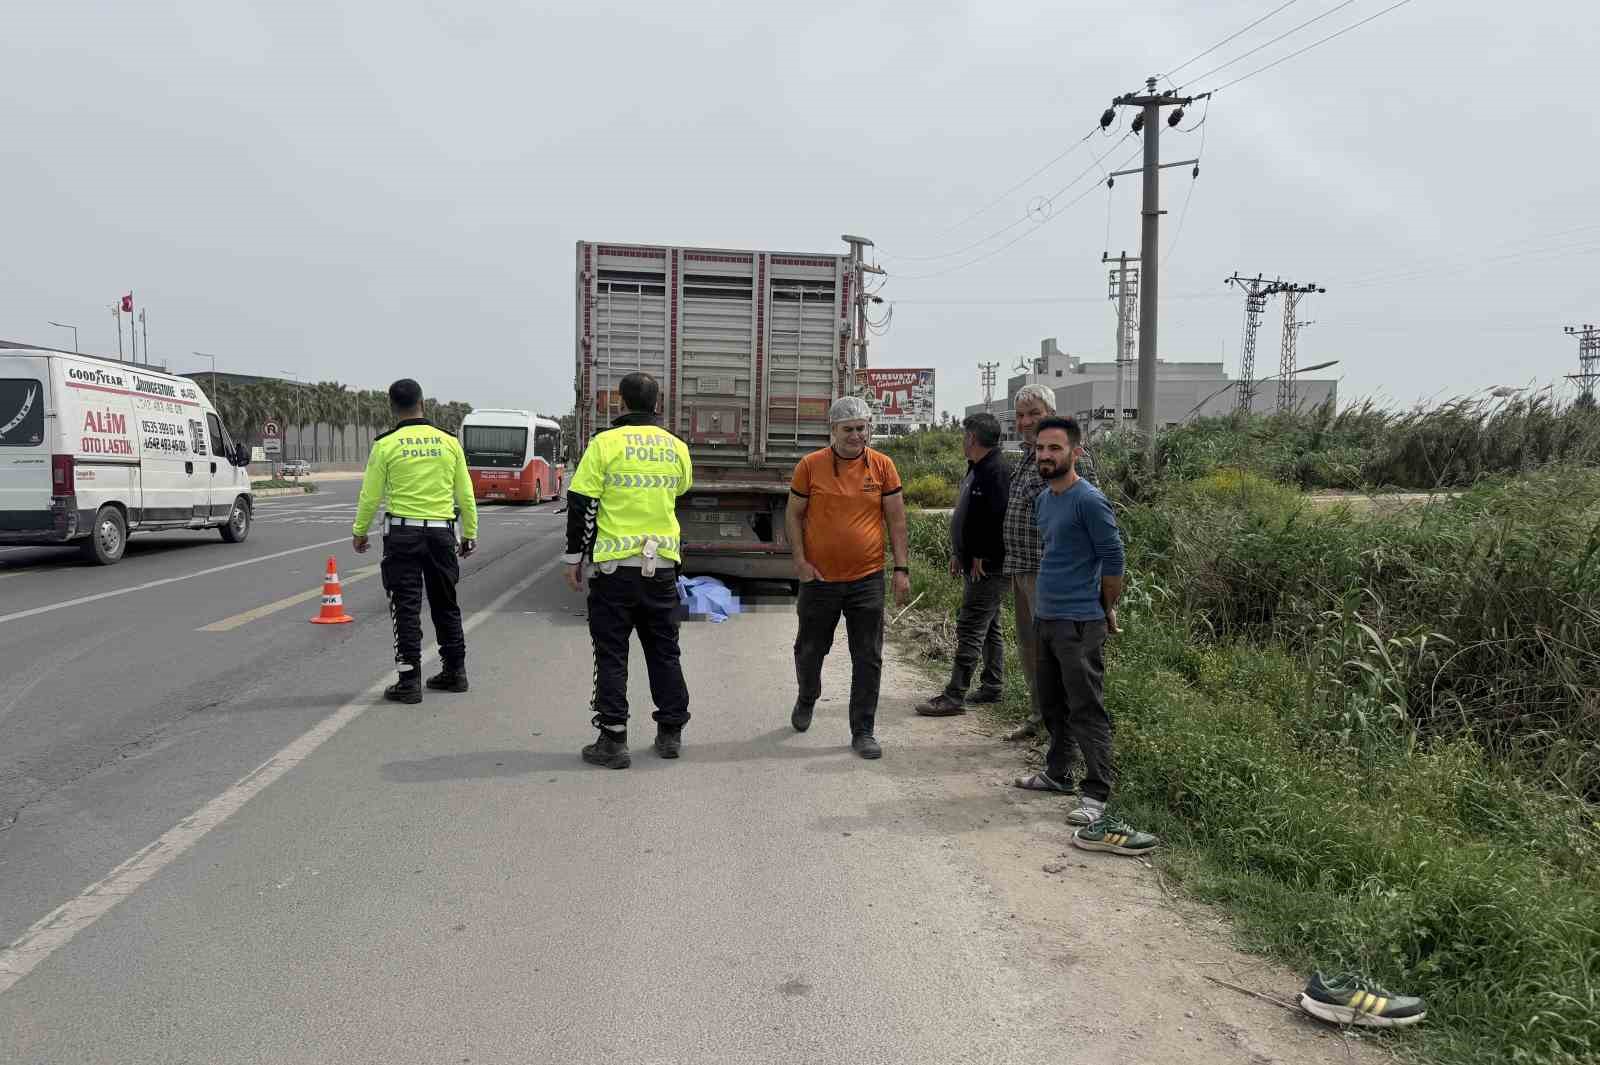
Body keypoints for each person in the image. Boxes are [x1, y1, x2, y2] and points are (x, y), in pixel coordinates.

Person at [1030, 415, 1155, 854]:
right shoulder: (1045, 499)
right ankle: (1057, 773)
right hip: (1046, 617)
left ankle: (1096, 797)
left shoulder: (1089, 500)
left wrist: (1107, 608)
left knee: (1086, 708)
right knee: (1051, 704)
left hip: (1080, 622)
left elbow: (1113, 558)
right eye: (1041, 448)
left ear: (1075, 453)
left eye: (1055, 449)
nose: (1046, 455)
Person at [562, 371, 693, 769]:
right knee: (664, 651)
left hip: (615, 572)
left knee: (612, 653)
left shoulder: (604, 443)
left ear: (620, 402)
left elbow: (582, 503)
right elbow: (681, 491)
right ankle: (670, 732)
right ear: (658, 404)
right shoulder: (676, 447)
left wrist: (574, 557)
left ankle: (613, 740)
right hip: (662, 568)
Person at [785, 396, 911, 759]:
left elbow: (897, 521)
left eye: (862, 428)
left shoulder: (883, 467)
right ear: (833, 431)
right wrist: (800, 562)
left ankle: (864, 730)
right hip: (819, 580)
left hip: (867, 578)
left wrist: (901, 569)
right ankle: (807, 696)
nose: (857, 436)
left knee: (868, 656)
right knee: (809, 651)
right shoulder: (810, 466)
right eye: (848, 429)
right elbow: (793, 515)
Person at [352, 379, 479, 704]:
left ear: (392, 407)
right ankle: (456, 672)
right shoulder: (448, 442)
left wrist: (360, 530)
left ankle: (409, 681)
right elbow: (465, 492)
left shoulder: (386, 444)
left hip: (403, 536)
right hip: (441, 534)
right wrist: (469, 533)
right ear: (423, 403)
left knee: (406, 607)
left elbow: (371, 494)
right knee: (445, 604)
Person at [1003, 384, 1102, 744]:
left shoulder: (1074, 457)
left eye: (1035, 414)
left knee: (1060, 655)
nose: (1027, 422)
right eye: (1021, 415)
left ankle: (1066, 734)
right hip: (1022, 568)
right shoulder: (1029, 456)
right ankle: (1040, 717)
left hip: (1053, 574)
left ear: (1052, 415)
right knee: (1031, 650)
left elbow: (1088, 520)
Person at [915, 412, 1010, 716]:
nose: (962, 440)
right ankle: (993, 686)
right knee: (990, 625)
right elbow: (971, 517)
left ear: (972, 437)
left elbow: (997, 518)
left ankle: (954, 696)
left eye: (963, 435)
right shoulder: (978, 468)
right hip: (974, 561)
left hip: (988, 566)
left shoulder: (996, 471)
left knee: (970, 625)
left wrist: (980, 554)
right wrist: (960, 553)